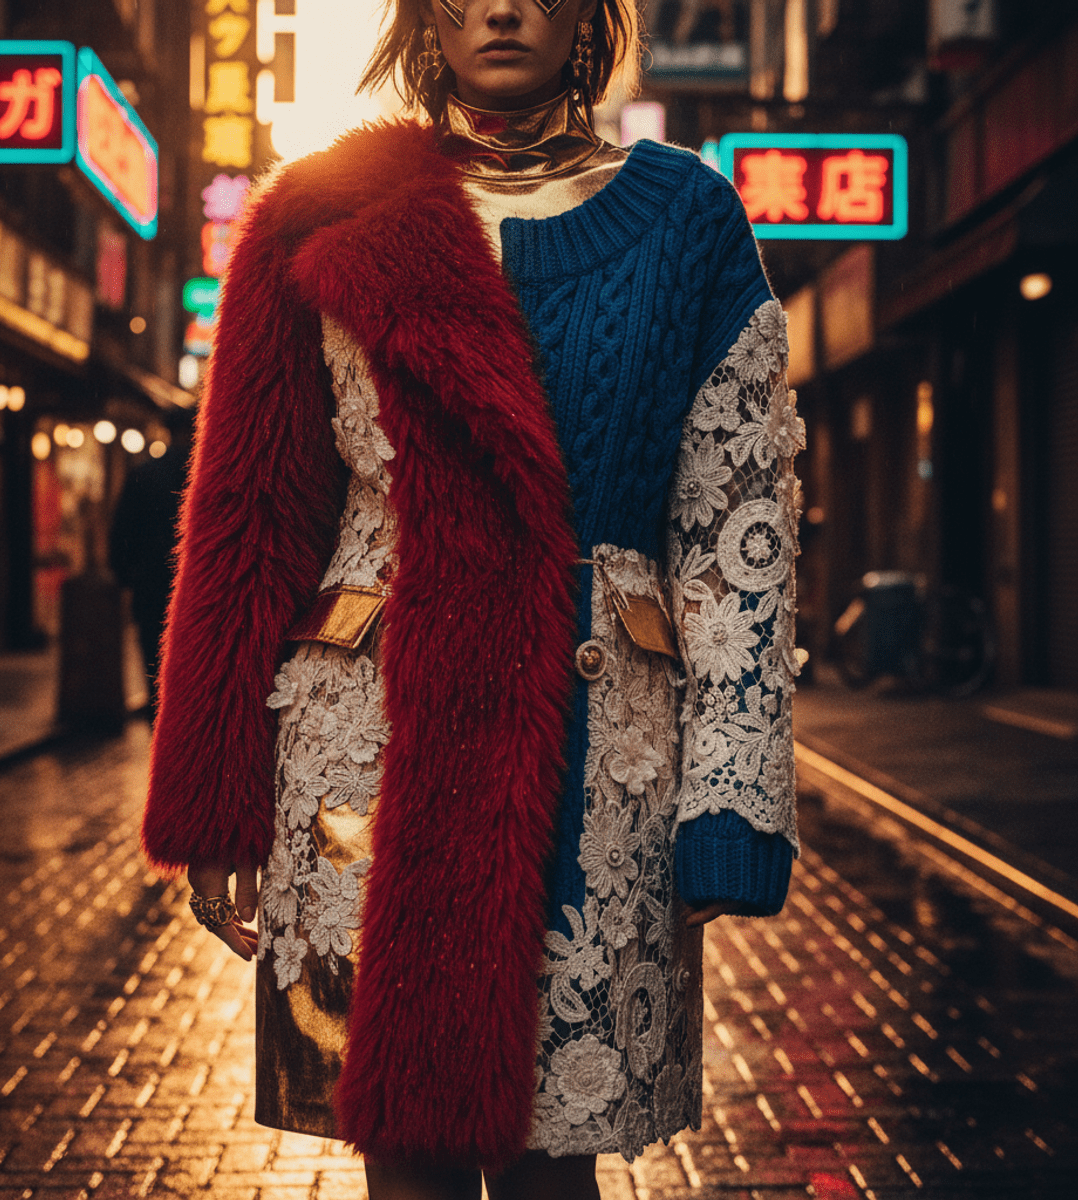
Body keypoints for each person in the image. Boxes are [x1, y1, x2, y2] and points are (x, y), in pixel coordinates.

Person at [142, 2, 803, 1197]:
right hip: (370, 744)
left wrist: (731, 800)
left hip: (597, 755)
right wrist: (215, 794)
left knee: (557, 1166)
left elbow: (734, 535)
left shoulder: (688, 217)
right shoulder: (317, 208)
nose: (500, 6)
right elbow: (248, 520)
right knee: (401, 1151)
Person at [109, 408, 194, 719]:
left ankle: (159, 732)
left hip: (152, 590)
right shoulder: (210, 474)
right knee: (194, 675)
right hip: (199, 591)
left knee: (156, 672)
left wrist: (126, 578)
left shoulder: (143, 475)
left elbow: (121, 535)